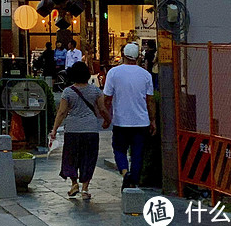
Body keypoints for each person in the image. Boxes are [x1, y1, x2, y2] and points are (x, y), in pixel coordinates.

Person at [50, 61, 111, 200]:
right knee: (88, 158)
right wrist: (108, 120)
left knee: (71, 157)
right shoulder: (95, 91)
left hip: (72, 130)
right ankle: (85, 188)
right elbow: (102, 109)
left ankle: (74, 184)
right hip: (90, 129)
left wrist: (54, 130)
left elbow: (62, 112)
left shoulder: (68, 91)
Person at [104, 43, 157, 188]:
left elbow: (107, 98)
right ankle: (134, 180)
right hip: (141, 121)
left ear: (123, 55)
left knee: (119, 149)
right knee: (137, 153)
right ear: (138, 57)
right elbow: (150, 100)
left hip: (121, 121)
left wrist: (106, 116)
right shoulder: (146, 75)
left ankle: (124, 172)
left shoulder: (114, 73)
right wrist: (153, 120)